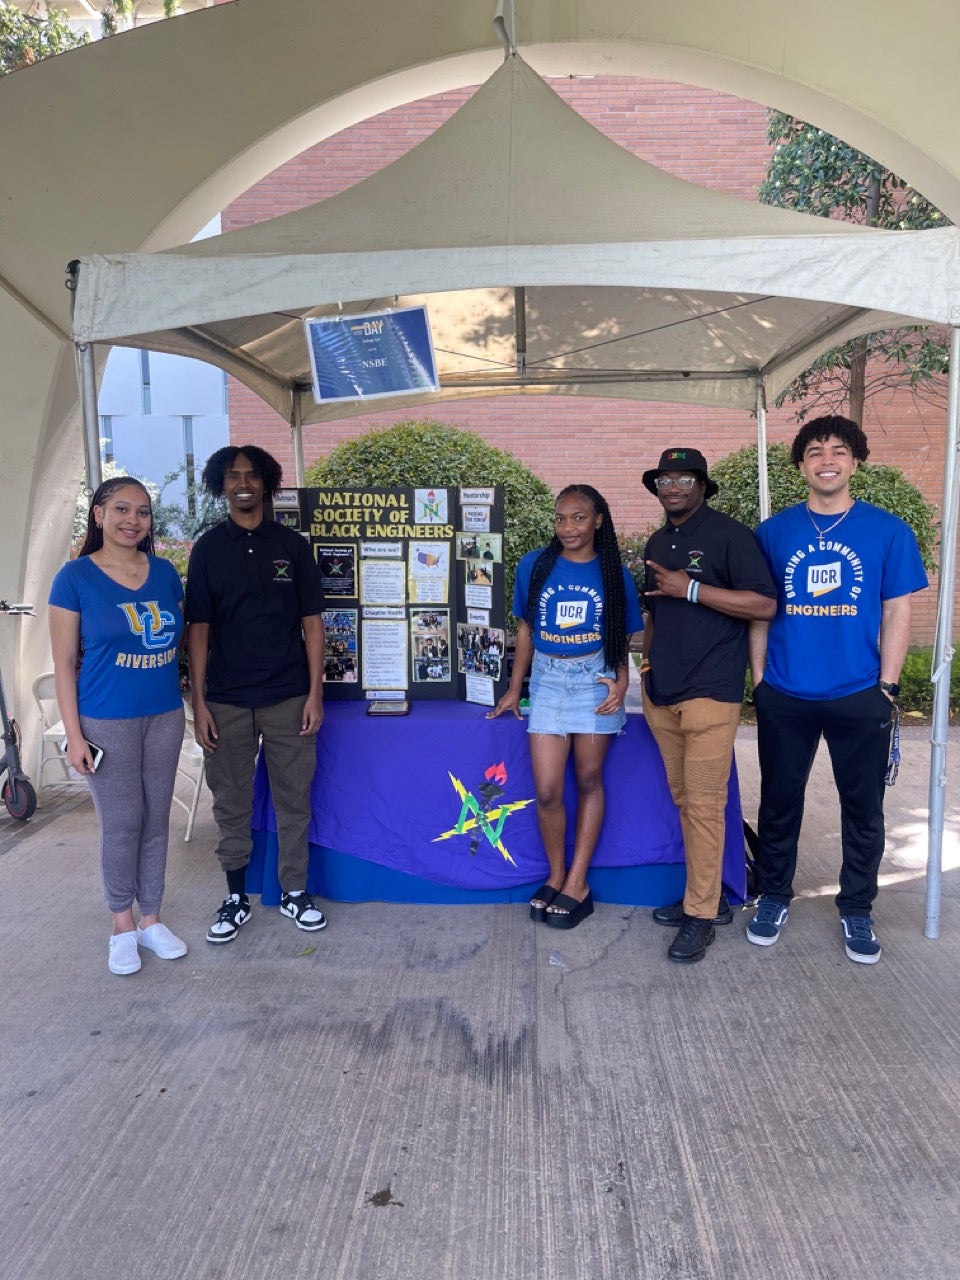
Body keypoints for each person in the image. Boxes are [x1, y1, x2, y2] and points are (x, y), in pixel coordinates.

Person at [746, 416, 927, 963]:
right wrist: (760, 682)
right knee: (779, 802)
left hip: (859, 692)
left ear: (855, 462)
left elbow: (898, 609)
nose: (827, 459)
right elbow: (759, 613)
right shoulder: (773, 533)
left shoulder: (887, 531)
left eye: (839, 450)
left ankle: (857, 907)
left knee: (863, 809)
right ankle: (775, 895)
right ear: (801, 465)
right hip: (786, 690)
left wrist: (888, 686)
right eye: (816, 450)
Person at [185, 445, 327, 944]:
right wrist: (199, 702)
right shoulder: (207, 549)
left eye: (251, 475)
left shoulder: (292, 544)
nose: (242, 483)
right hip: (225, 699)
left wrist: (315, 694)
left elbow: (313, 623)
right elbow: (197, 629)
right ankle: (235, 897)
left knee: (294, 799)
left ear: (266, 483)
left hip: (288, 695)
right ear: (220, 485)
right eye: (232, 476)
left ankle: (294, 891)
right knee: (231, 801)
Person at [641, 448, 777, 963]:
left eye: (682, 478)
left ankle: (701, 915)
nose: (671, 486)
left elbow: (764, 603)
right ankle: (708, 893)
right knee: (687, 805)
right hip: (662, 695)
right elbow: (655, 611)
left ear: (701, 484)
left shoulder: (729, 536)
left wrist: (692, 588)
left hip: (711, 694)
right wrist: (647, 665)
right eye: (663, 479)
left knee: (703, 808)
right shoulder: (658, 540)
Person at [48, 477, 187, 976]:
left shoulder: (167, 573)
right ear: (99, 515)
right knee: (123, 820)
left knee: (155, 819)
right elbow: (64, 663)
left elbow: (181, 643)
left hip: (165, 715)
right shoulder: (75, 577)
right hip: (105, 720)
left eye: (144, 512)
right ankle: (121, 924)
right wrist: (75, 734)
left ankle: (151, 919)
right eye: (122, 509)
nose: (134, 520)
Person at [488, 484, 642, 929]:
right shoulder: (535, 565)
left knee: (589, 779)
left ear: (597, 520)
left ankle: (578, 883)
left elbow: (623, 634)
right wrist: (516, 688)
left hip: (595, 679)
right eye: (560, 518)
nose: (568, 526)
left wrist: (622, 679)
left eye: (578, 517)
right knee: (549, 788)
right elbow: (525, 629)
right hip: (550, 681)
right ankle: (555, 874)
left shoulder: (614, 573)